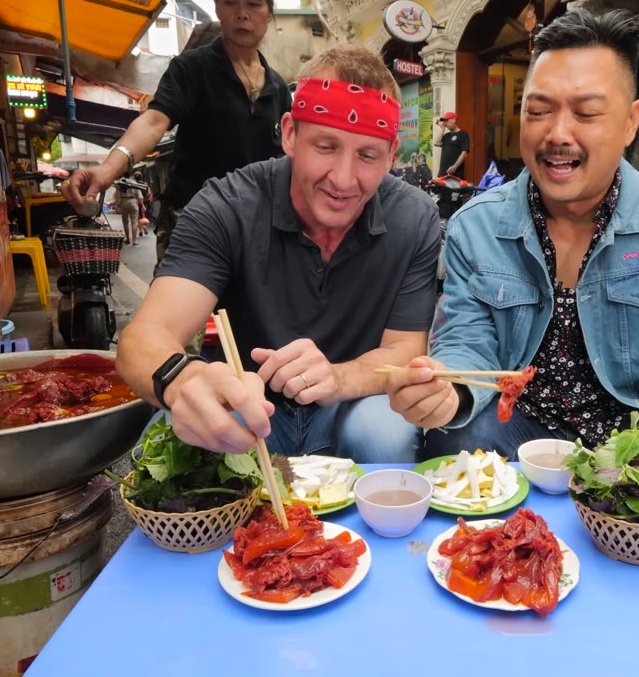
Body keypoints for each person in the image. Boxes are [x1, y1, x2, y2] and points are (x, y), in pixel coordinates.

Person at [384, 9, 639, 576]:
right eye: (538, 111)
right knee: (457, 436)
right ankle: (492, 581)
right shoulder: (475, 224)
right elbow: (466, 342)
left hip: (638, 429)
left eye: (587, 113)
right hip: (520, 422)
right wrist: (448, 390)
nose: (557, 134)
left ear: (631, 121)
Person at [116, 45, 441, 464]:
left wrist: (336, 378)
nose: (343, 180)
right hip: (249, 409)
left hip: (349, 405)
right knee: (162, 446)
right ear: (289, 133)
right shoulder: (226, 205)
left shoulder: (414, 218)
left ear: (391, 156)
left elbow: (404, 351)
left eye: (367, 155)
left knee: (387, 433)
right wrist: (186, 381)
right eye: (325, 146)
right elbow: (143, 338)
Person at [59, 0, 291, 263]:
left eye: (254, 4)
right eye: (230, 2)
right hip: (193, 219)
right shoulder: (191, 68)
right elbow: (154, 123)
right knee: (183, 310)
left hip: (255, 228)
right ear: (217, 7)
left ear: (269, 12)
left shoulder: (278, 89)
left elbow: (288, 160)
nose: (242, 15)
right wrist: (107, 169)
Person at [433, 112, 469, 180]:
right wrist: (442, 129)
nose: (445, 123)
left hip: (455, 174)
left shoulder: (463, 134)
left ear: (454, 120)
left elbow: (464, 153)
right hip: (443, 174)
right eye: (444, 121)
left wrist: (455, 166)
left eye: (447, 120)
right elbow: (436, 143)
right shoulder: (446, 136)